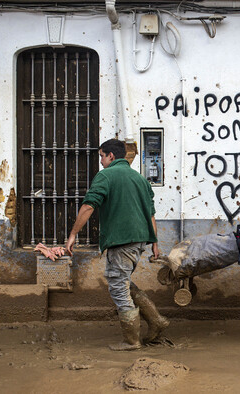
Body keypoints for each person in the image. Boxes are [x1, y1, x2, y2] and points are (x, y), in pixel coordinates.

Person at [66, 139, 169, 351]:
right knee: (123, 283)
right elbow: (150, 214)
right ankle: (156, 320)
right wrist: (154, 244)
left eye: (102, 156)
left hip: (122, 240)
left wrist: (73, 234)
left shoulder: (106, 175)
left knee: (118, 288)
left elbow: (88, 206)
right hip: (139, 240)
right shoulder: (140, 179)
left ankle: (132, 341)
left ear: (111, 156)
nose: (101, 161)